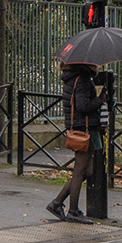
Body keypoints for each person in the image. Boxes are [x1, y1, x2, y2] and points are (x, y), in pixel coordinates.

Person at [47, 59, 104, 223]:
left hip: (83, 127)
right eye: (94, 62)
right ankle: (72, 211)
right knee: (80, 170)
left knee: (88, 170)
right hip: (83, 129)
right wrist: (101, 99)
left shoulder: (73, 77)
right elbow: (83, 106)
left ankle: (57, 203)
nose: (97, 64)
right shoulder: (82, 79)